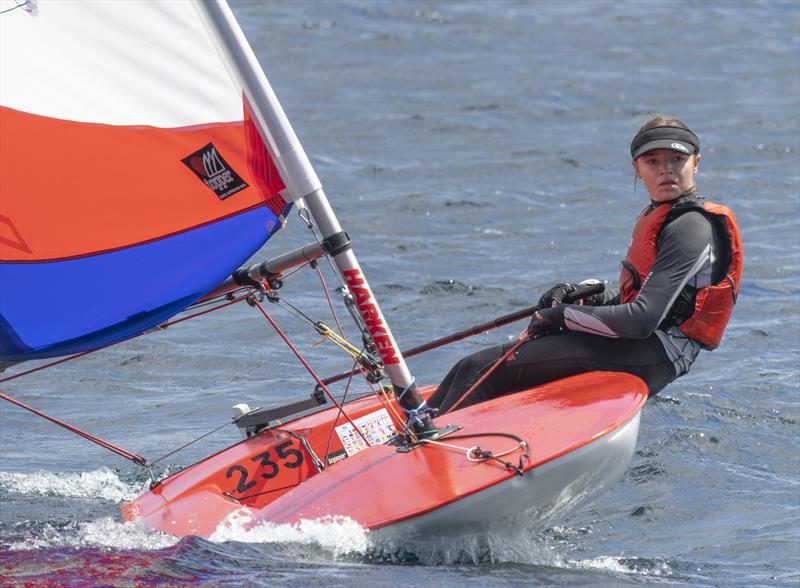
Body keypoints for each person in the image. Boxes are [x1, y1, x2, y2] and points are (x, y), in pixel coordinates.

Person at [428, 116, 743, 415]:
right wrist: (589, 299)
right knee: (468, 368)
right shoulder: (662, 215)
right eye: (653, 162)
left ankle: (426, 453)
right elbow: (645, 298)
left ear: (696, 162)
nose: (666, 170)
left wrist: (559, 316)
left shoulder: (689, 226)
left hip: (656, 352)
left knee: (479, 371)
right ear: (637, 168)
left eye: (677, 160)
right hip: (640, 345)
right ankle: (413, 429)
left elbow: (642, 320)